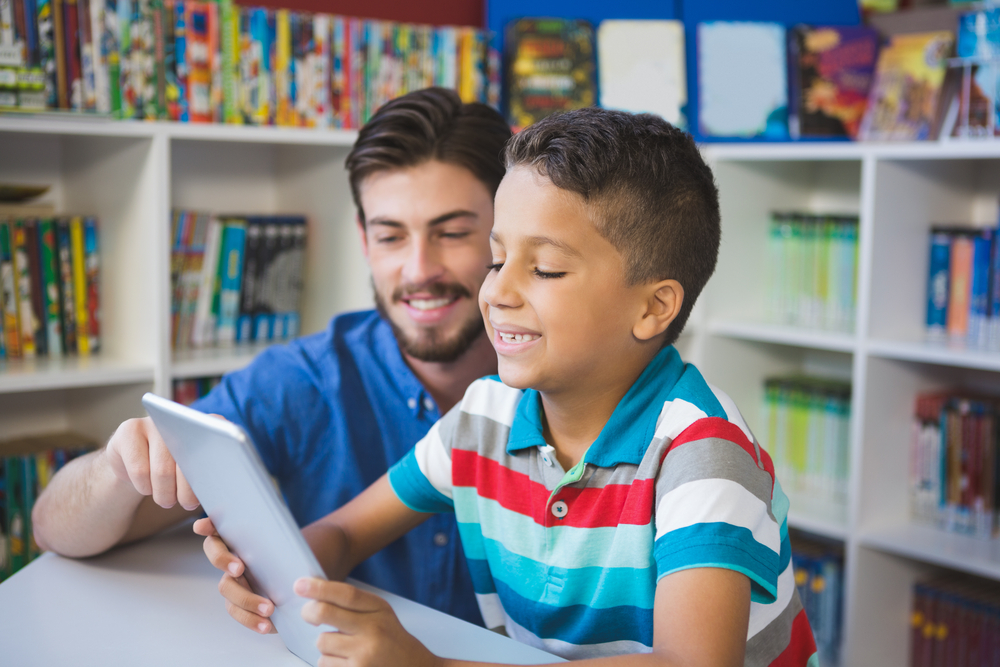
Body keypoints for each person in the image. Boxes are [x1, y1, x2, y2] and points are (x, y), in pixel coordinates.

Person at [200, 108, 818, 666]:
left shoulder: (703, 455)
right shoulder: (486, 417)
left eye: (545, 268)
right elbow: (343, 533)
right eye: (497, 260)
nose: (496, 290)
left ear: (654, 307)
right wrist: (273, 571)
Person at [30, 87, 513, 626]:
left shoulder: (568, 384)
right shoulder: (305, 380)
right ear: (363, 240)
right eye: (391, 237)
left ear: (507, 235)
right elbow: (51, 528)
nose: (419, 269)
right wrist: (119, 467)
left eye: (453, 233)